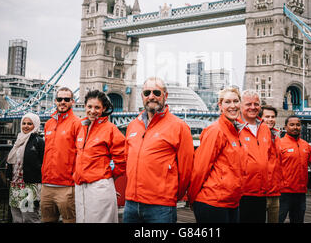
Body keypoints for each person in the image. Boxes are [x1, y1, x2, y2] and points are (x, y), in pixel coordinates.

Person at [123, 77, 194, 223]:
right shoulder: (132, 125)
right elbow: (127, 158)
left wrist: (171, 195)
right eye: (147, 92)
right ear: (142, 96)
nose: (151, 96)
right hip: (131, 203)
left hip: (161, 206)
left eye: (156, 92)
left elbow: (186, 169)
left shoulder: (179, 127)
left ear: (165, 96)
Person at [187, 87, 245, 223]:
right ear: (220, 106)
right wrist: (192, 197)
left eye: (236, 101)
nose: (233, 106)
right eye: (227, 102)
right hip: (213, 201)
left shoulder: (236, 131)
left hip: (231, 201)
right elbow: (200, 168)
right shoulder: (216, 130)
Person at [74, 90, 126, 223]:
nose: (92, 111)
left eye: (97, 107)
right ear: (85, 106)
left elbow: (122, 159)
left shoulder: (111, 129)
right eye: (89, 106)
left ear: (104, 109)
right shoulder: (81, 128)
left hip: (99, 187)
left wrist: (108, 178)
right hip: (80, 188)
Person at [41, 87, 81, 223]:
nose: (62, 102)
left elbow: (81, 154)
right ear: (55, 101)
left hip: (67, 186)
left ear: (72, 102)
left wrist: (74, 179)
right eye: (59, 99)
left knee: (70, 220)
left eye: (66, 99)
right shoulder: (48, 124)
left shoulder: (77, 124)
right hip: (47, 185)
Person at [238, 90, 272, 223]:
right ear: (241, 106)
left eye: (256, 104)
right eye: (248, 104)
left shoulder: (264, 128)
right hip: (241, 193)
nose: (253, 107)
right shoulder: (234, 127)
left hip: (261, 191)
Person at [7, 112, 44, 223]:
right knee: (17, 218)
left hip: (29, 186)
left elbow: (43, 163)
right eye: (24, 123)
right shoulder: (18, 140)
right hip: (15, 185)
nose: (26, 126)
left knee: (29, 218)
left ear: (35, 125)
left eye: (29, 124)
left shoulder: (39, 141)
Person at [278, 115, 311, 223]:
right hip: (283, 192)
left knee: (298, 220)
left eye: (298, 125)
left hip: (301, 192)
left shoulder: (306, 146)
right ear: (285, 127)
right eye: (291, 125)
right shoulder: (279, 144)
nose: (295, 127)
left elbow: (308, 164)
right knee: (277, 219)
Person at [259, 105, 282, 223]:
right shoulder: (256, 137)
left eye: (273, 117)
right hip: (260, 193)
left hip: (275, 192)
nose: (270, 119)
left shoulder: (277, 138)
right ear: (260, 118)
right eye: (267, 116)